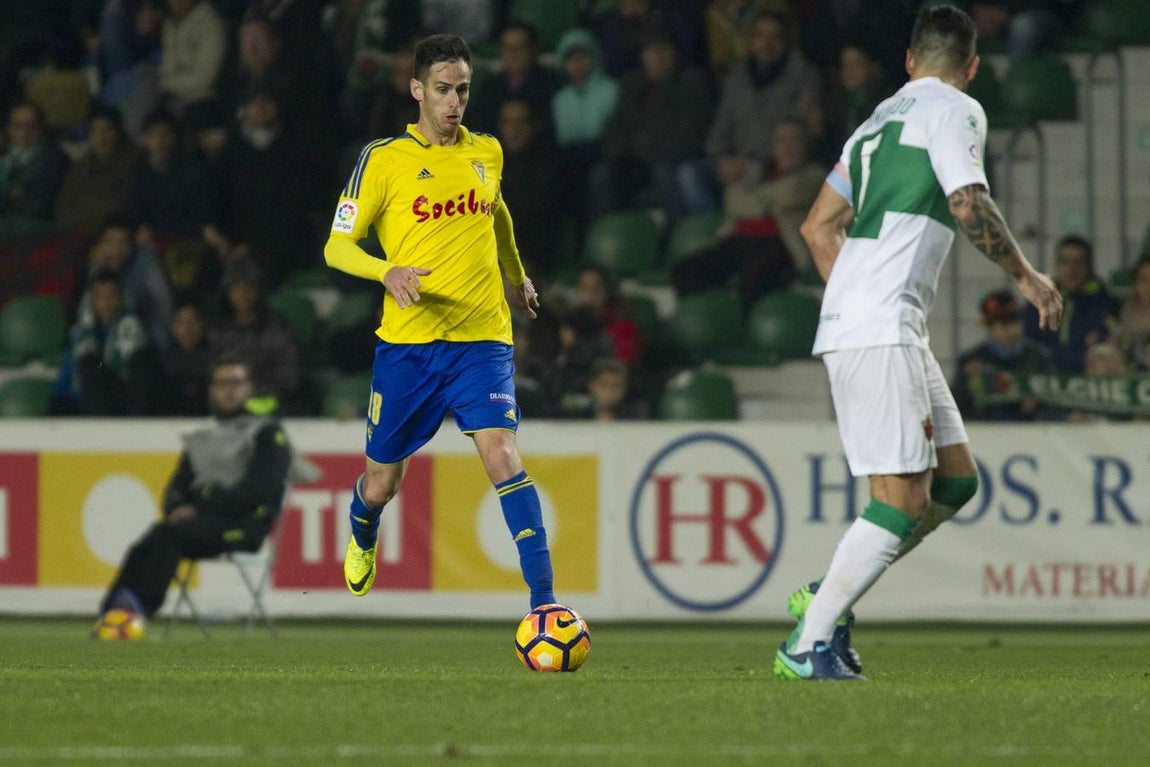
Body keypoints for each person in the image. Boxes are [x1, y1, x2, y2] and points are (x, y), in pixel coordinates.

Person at [775, 4, 1062, 681]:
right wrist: (1025, 274)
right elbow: (967, 202)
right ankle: (807, 644)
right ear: (971, 67)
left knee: (956, 480)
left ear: (908, 61)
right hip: (881, 323)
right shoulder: (957, 108)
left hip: (878, 319)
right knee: (900, 498)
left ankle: (828, 593)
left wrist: (853, 298)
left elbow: (818, 228)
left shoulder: (875, 120)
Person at [322, 34, 558, 610]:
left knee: (501, 450)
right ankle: (362, 529)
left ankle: (545, 605)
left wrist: (517, 276)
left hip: (481, 337)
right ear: (417, 91)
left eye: (464, 90)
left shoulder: (488, 152)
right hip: (409, 346)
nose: (455, 102)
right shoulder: (383, 160)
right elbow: (336, 247)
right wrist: (387, 271)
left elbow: (496, 212)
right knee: (383, 482)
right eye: (444, 90)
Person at [95, 357, 293, 634]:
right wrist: (177, 507)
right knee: (151, 539)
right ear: (211, 389)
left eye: (236, 383)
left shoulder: (267, 434)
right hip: (199, 526)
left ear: (250, 388)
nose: (228, 390)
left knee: (169, 535)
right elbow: (176, 490)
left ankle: (137, 611)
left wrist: (203, 505)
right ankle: (112, 613)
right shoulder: (204, 439)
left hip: (243, 526)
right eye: (222, 383)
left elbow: (260, 490)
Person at [952, 288, 1057, 421]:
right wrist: (968, 385)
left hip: (1030, 435)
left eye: (1015, 320)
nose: (1013, 328)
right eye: (1004, 323)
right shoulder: (970, 361)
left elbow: (1055, 403)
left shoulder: (1039, 358)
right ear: (988, 326)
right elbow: (957, 408)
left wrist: (1035, 406)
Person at [1024, 234, 1121, 374]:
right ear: (1057, 265)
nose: (1072, 269)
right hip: (1044, 376)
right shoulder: (1040, 302)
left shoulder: (1104, 302)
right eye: (1065, 262)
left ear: (1088, 266)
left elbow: (1105, 343)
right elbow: (1030, 344)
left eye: (1079, 262)